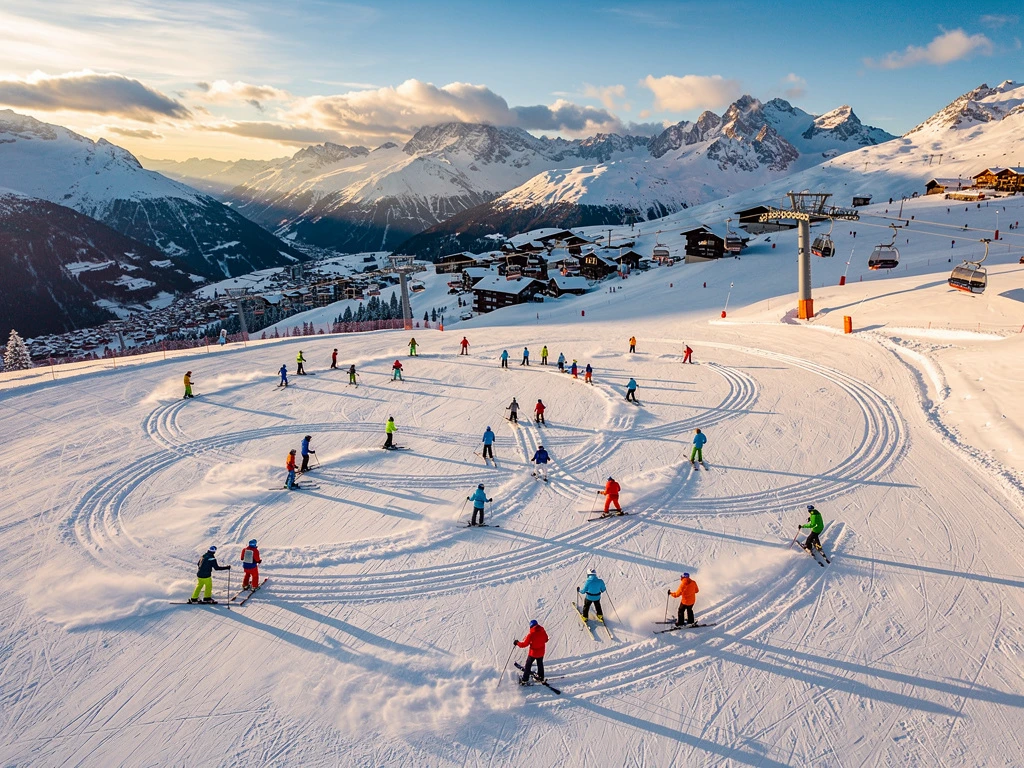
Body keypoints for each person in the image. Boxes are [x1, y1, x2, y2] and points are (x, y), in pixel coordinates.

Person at [515, 620, 549, 684]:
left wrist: (517, 643)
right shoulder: (543, 631)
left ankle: (524, 679)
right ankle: (541, 677)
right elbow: (546, 639)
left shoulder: (531, 635)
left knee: (528, 665)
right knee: (540, 664)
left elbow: (524, 644)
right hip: (541, 652)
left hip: (533, 654)